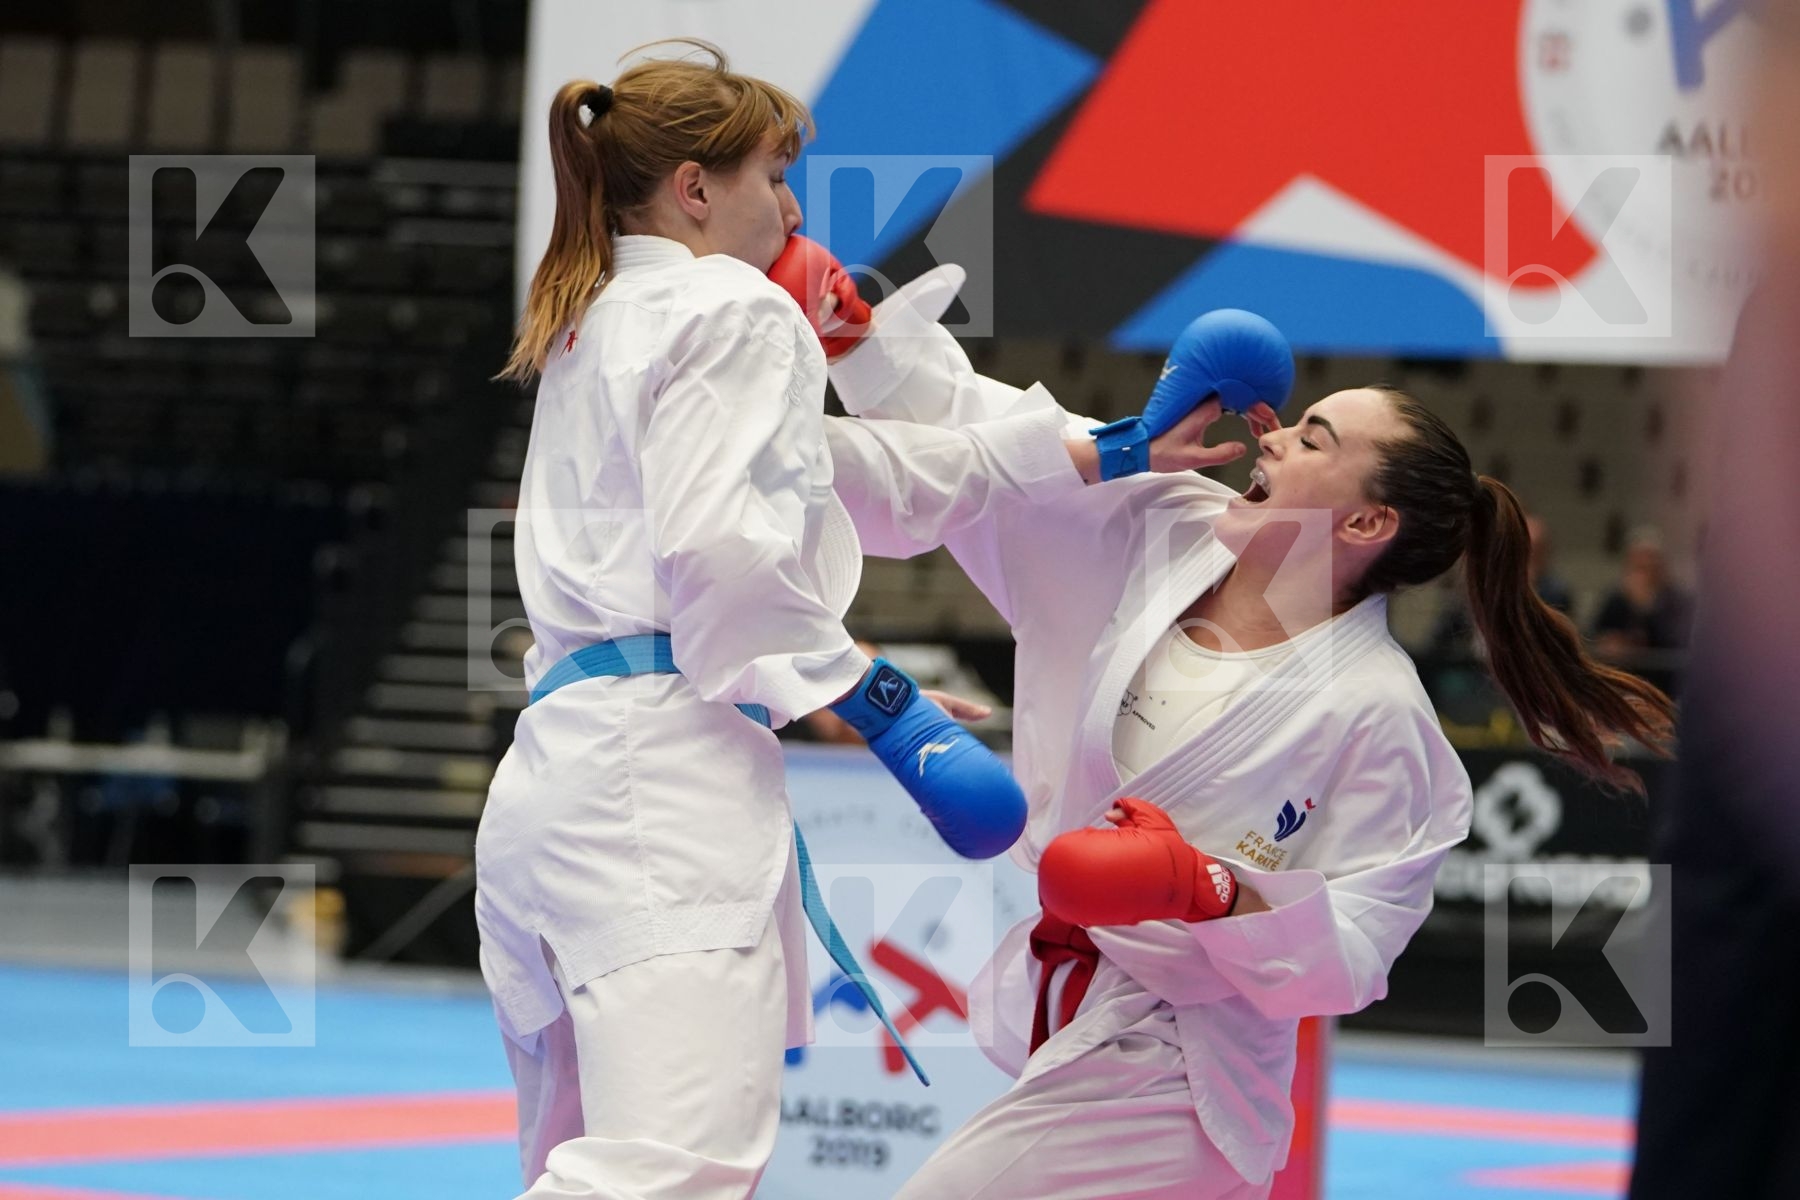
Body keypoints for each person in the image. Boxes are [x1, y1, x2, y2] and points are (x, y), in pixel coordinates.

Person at [473, 41, 1273, 1200]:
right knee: (670, 1170)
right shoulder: (729, 308)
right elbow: (721, 551)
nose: (793, 210)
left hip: (556, 784)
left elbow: (862, 477)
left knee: (575, 1157)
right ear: (697, 190)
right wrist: (881, 705)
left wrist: (1096, 452)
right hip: (656, 789)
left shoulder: (597, 321)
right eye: (774, 177)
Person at [821, 292, 1677, 1199]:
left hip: (1184, 1072)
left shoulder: (1378, 712)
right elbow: (988, 437)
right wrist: (859, 338)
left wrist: (1215, 892)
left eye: (1314, 440)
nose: (1269, 437)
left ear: (1364, 525)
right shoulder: (1165, 526)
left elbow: (1357, 954)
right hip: (1074, 1013)